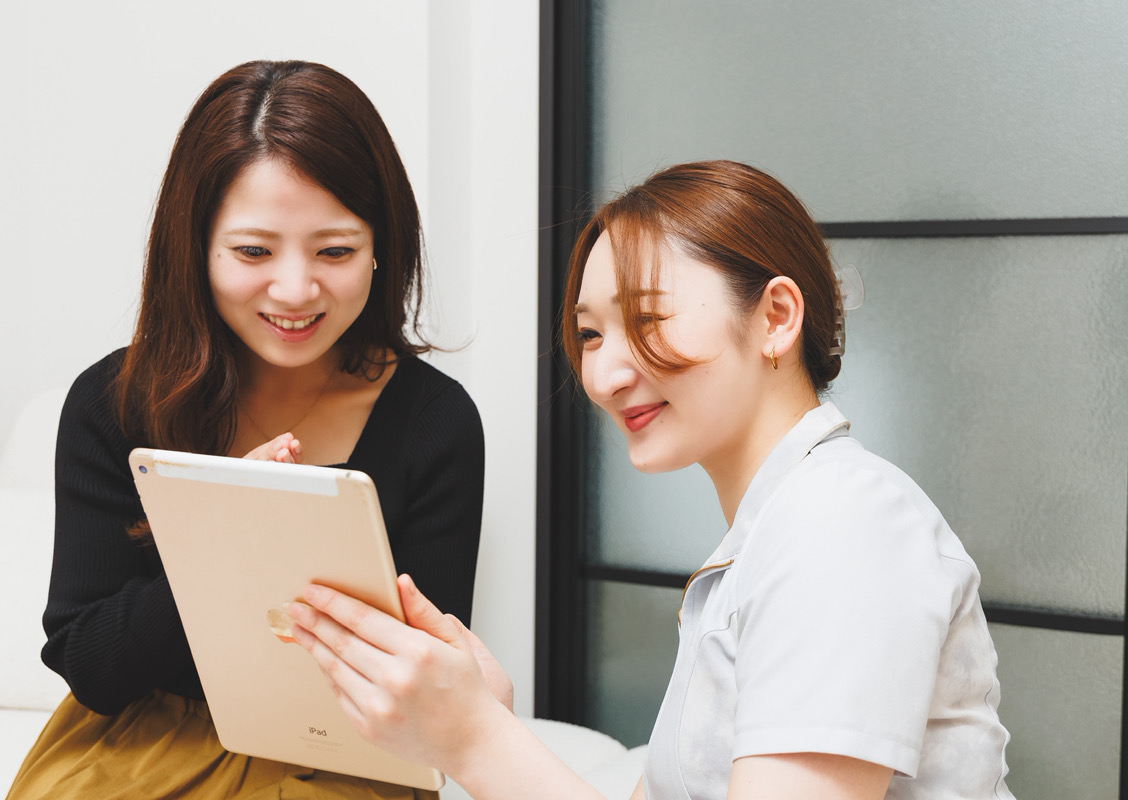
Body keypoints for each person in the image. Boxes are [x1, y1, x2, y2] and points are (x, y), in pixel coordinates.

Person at [285, 160, 1016, 799]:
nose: (603, 374)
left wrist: (474, 738)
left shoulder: (843, 523)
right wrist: (480, 721)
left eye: (646, 319)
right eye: (592, 333)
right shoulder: (764, 538)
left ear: (777, 317)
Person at [7, 60, 484, 800]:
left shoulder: (436, 423)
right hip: (141, 744)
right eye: (254, 252)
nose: (295, 291)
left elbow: (427, 685)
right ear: (193, 248)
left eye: (334, 251)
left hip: (350, 751)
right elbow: (91, 666)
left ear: (382, 247)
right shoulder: (113, 401)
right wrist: (224, 534)